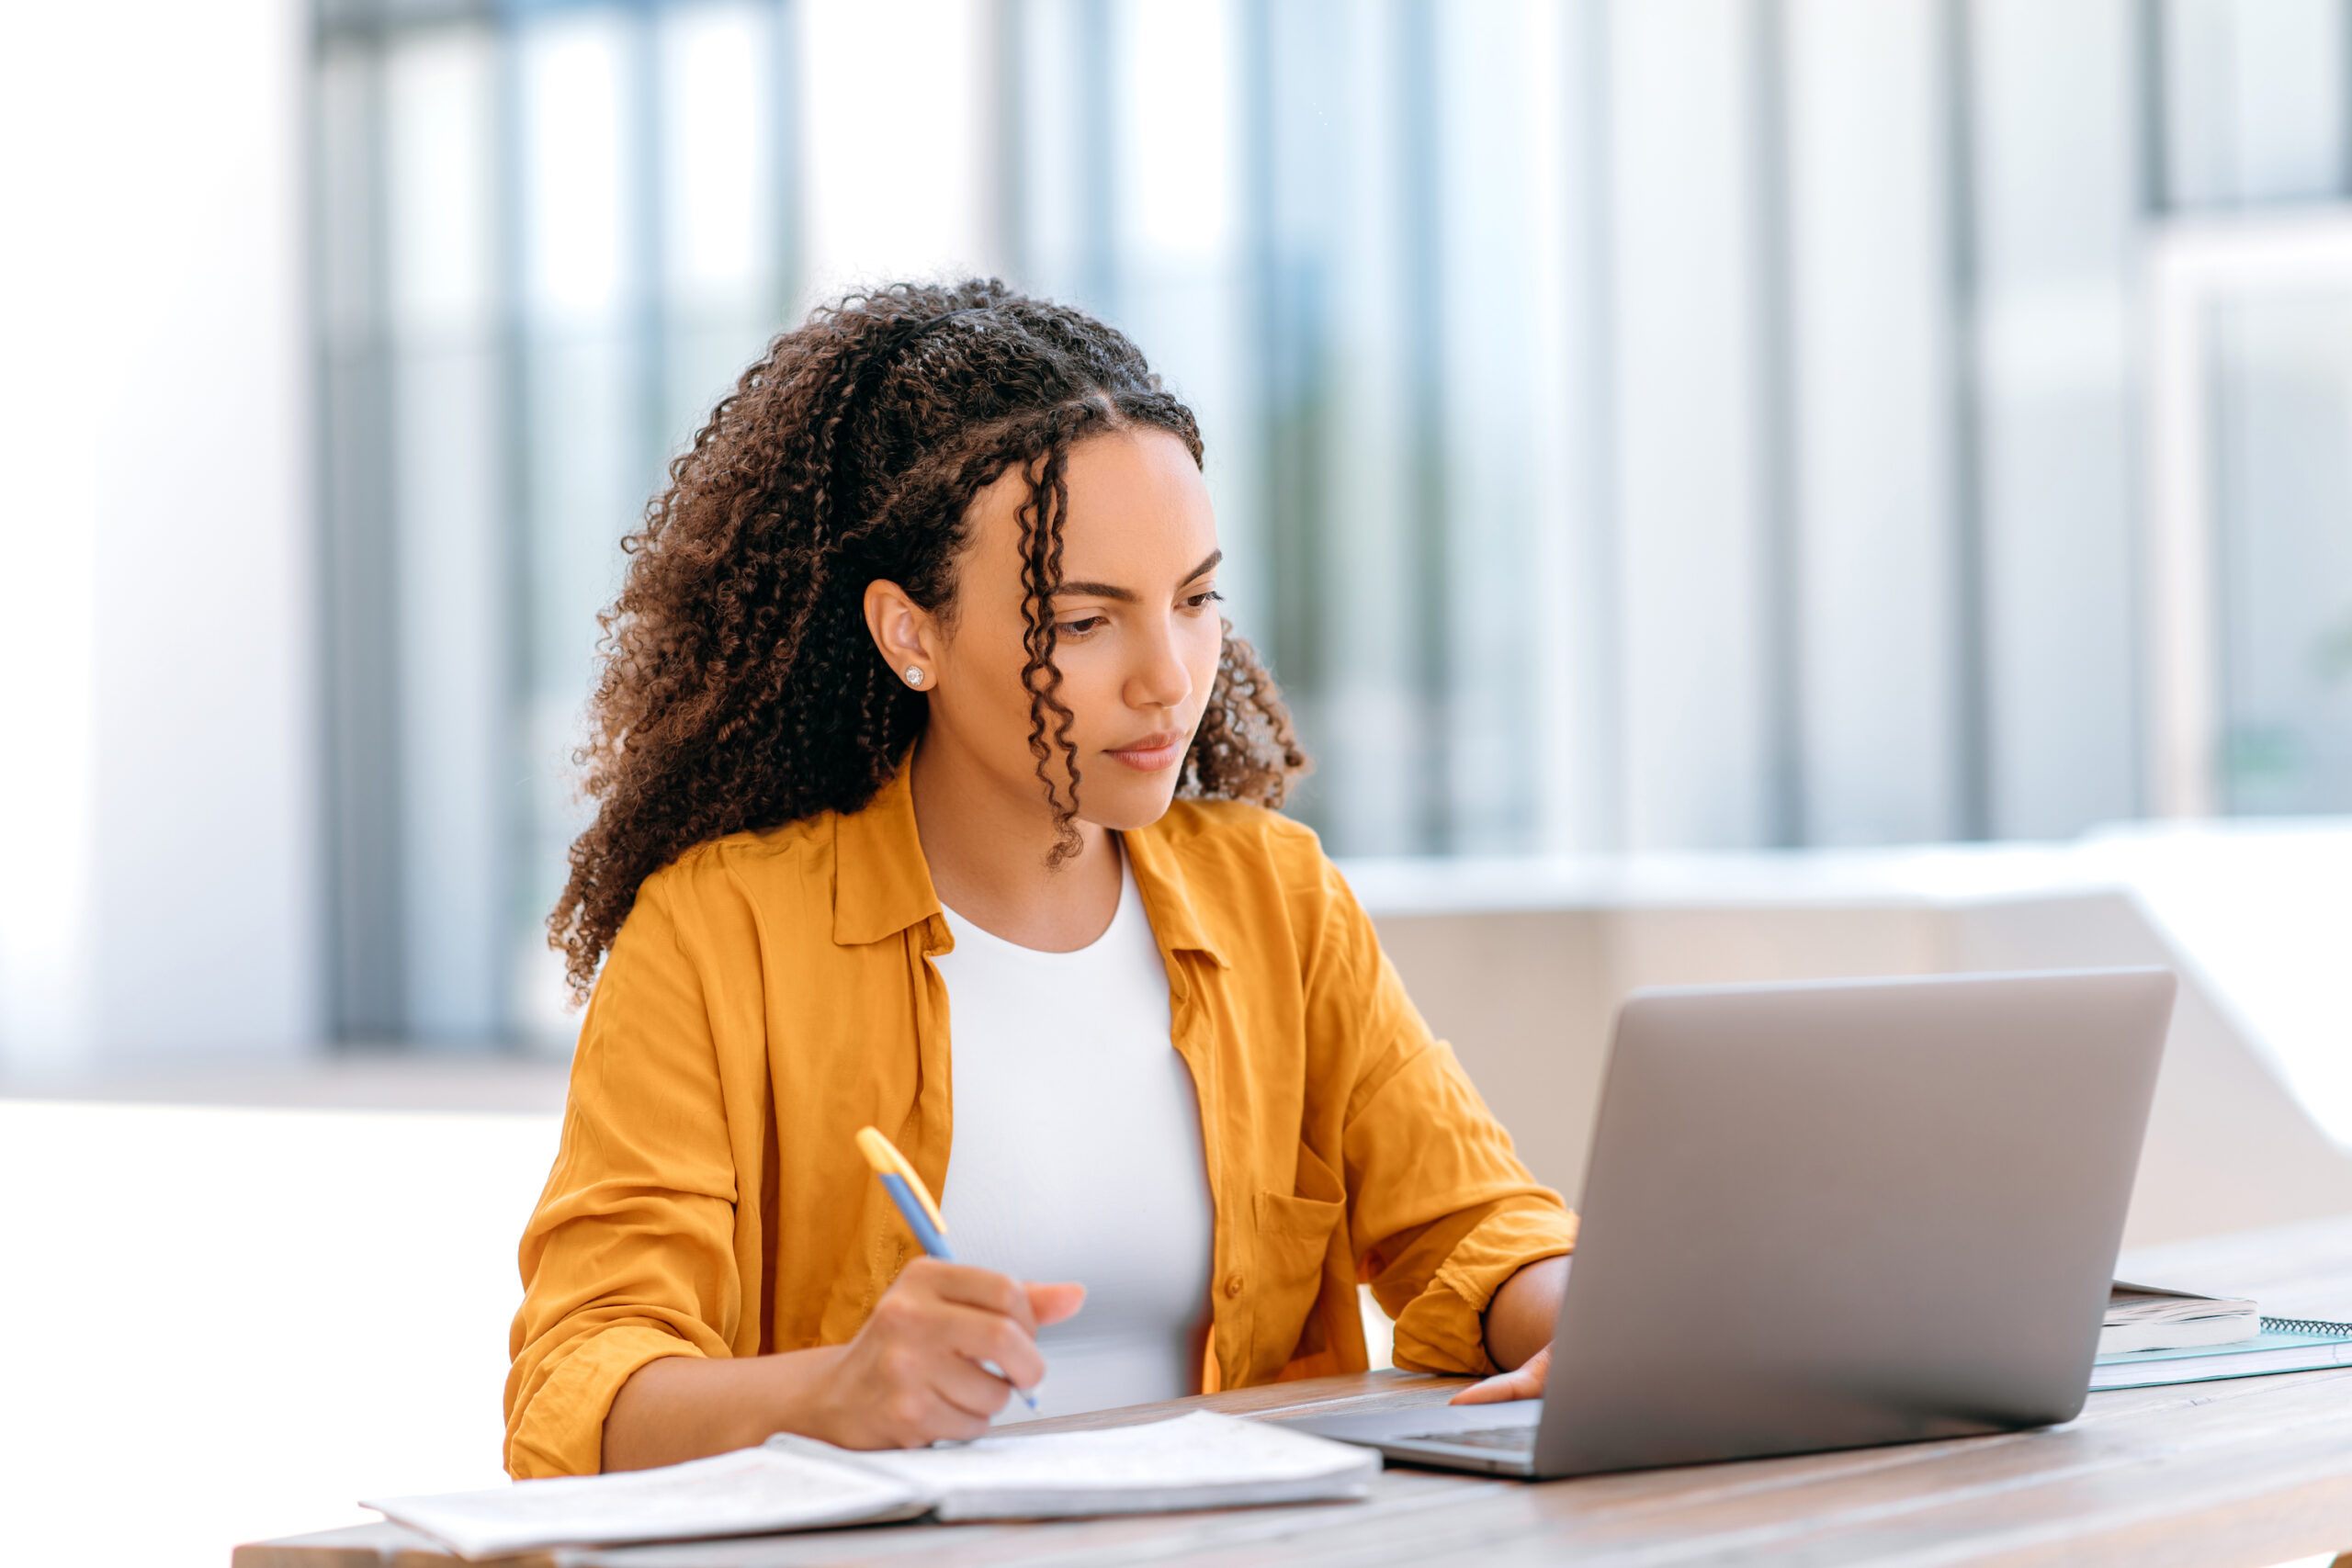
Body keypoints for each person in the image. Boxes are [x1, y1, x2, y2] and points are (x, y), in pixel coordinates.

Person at [504, 280, 1577, 1479]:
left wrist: (1580, 1314)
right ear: (910, 633)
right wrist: (836, 1391)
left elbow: (1478, 1230)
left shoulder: (1277, 899)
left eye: (1196, 600)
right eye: (1084, 622)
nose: (1170, 679)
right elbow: (579, 1383)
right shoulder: (719, 936)